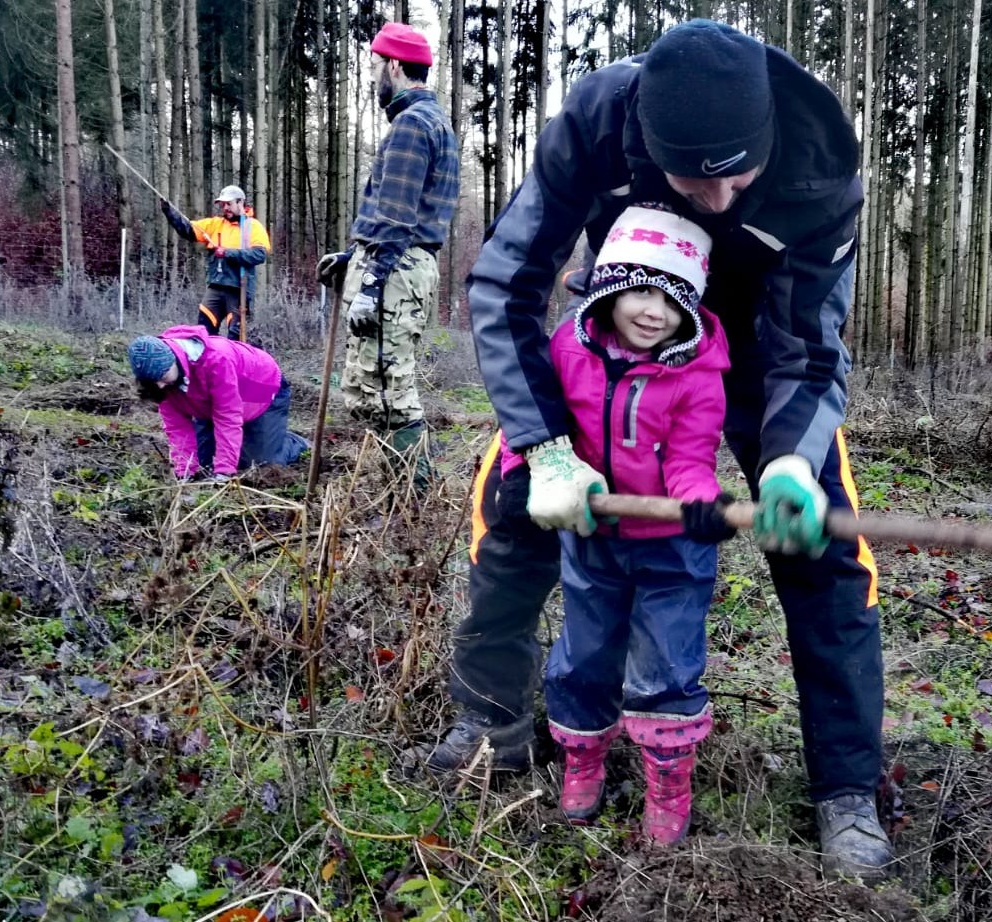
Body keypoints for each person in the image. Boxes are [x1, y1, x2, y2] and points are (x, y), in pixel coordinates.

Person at [447, 20, 892, 878]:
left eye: (737, 179)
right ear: (649, 141)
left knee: (828, 548)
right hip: (619, 328)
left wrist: (791, 461)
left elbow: (811, 346)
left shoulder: (819, 166)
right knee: (510, 510)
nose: (715, 203)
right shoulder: (599, 118)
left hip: (760, 354)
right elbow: (508, 280)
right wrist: (544, 447)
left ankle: (846, 791)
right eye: (693, 179)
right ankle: (490, 725)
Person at [502, 205, 736, 844]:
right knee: (585, 655)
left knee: (665, 664)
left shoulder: (698, 374)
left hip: (670, 553)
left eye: (672, 299)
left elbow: (691, 456)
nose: (654, 312)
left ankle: (668, 782)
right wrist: (524, 469)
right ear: (608, 288)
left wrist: (699, 502)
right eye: (640, 290)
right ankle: (583, 759)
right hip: (593, 540)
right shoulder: (566, 351)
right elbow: (536, 423)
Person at [315, 22, 458, 488]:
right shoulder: (426, 121)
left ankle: (415, 502)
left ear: (394, 66)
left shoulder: (413, 125)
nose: (373, 74)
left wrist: (371, 282)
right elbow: (402, 212)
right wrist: (353, 255)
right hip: (394, 262)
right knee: (364, 389)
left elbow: (397, 218)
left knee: (389, 391)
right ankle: (397, 489)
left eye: (375, 65)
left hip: (395, 271)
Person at [127, 327, 309, 481]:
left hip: (259, 389)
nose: (159, 385)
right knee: (204, 465)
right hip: (209, 404)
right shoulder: (161, 383)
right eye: (153, 381)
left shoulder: (216, 361)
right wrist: (185, 473)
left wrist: (224, 474)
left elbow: (228, 417)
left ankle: (292, 442)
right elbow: (177, 428)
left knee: (256, 463)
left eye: (163, 376)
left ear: (174, 360)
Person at [161, 185, 270, 340]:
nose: (225, 208)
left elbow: (259, 255)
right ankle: (208, 362)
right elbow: (188, 229)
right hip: (215, 286)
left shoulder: (253, 226)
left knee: (237, 336)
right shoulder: (214, 224)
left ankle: (240, 362)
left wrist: (227, 253)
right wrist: (169, 212)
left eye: (229, 204)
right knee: (204, 329)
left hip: (239, 289)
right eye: (222, 205)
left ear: (240, 203)